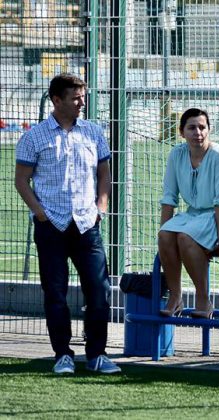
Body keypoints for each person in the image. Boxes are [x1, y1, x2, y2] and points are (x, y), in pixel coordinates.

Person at [14, 73, 120, 374]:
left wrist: (101, 207)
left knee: (99, 290)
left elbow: (104, 173)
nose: (81, 102)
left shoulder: (93, 132)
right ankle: (63, 355)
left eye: (83, 97)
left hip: (87, 224)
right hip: (51, 226)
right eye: (75, 98)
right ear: (56, 100)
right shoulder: (34, 136)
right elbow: (21, 181)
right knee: (55, 292)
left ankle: (97, 355)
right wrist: (40, 213)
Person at [158, 108, 219, 320]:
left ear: (209, 130)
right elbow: (169, 197)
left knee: (185, 237)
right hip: (191, 215)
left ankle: (203, 299)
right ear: (182, 132)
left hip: (216, 216)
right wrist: (164, 232)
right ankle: (175, 296)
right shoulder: (177, 154)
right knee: (165, 235)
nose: (198, 133)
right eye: (191, 128)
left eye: (202, 127)